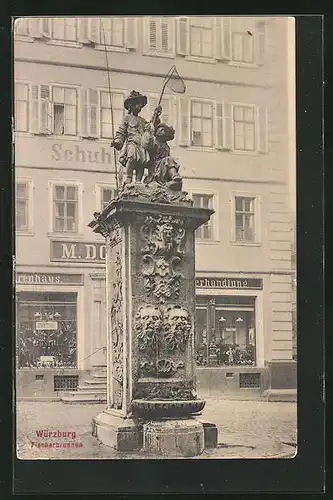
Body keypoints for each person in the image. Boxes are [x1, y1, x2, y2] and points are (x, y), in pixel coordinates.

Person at [111, 90, 162, 186]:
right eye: (138, 104)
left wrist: (156, 116)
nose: (140, 106)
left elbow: (151, 128)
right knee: (131, 157)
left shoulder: (142, 120)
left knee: (142, 162)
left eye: (140, 104)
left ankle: (138, 180)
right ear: (131, 106)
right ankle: (129, 178)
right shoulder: (127, 118)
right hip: (132, 143)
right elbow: (121, 132)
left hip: (142, 145)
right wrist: (117, 142)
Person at [141, 122, 183, 191]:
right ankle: (175, 176)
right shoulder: (154, 143)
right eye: (158, 130)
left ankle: (174, 179)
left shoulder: (166, 147)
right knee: (168, 160)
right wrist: (148, 132)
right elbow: (146, 145)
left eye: (162, 130)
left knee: (168, 160)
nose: (159, 131)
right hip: (155, 170)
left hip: (164, 170)